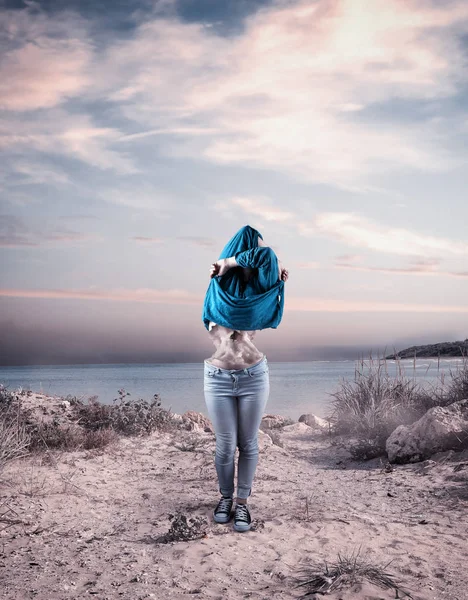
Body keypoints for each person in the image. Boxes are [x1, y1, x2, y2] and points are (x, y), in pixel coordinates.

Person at [202, 225, 289, 532]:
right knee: (225, 445)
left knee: (248, 443)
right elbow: (260, 255)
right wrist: (226, 267)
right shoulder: (219, 290)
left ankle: (242, 504)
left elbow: (266, 256)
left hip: (253, 374)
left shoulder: (259, 295)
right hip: (217, 377)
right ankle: (225, 499)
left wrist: (233, 262)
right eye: (244, 253)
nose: (252, 258)